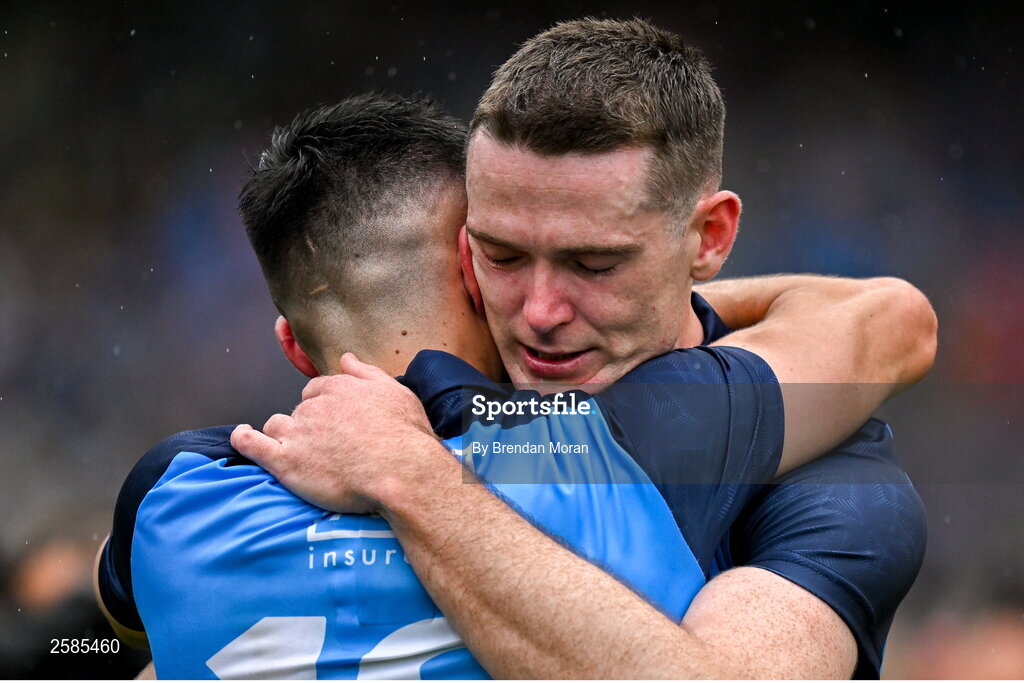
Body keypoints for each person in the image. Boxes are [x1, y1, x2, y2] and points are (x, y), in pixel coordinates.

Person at [232, 18, 935, 678]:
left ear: (710, 238)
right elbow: (120, 640)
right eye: (501, 257)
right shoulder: (377, 413)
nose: (538, 314)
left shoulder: (829, 480)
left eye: (595, 265)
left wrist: (410, 476)